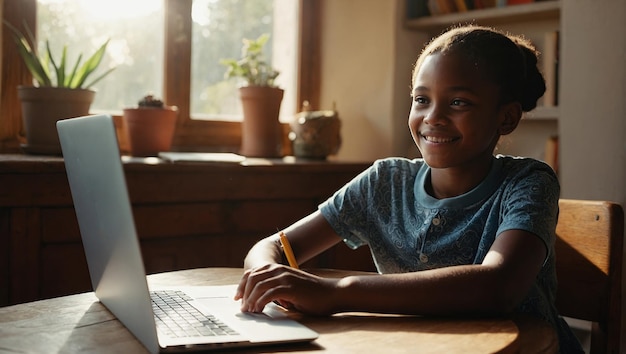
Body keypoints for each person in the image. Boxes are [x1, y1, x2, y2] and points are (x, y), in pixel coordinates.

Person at [234, 24, 583, 353]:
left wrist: (337, 292)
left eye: (458, 102)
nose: (433, 117)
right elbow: (273, 246)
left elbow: (499, 286)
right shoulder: (384, 181)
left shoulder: (527, 182)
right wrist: (268, 274)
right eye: (421, 99)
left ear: (505, 117)